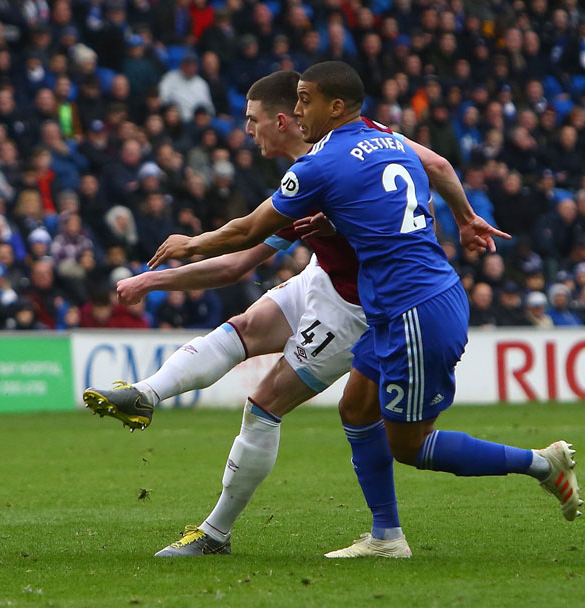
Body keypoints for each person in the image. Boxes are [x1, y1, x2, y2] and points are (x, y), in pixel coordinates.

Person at [147, 62, 580, 552]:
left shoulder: (320, 165)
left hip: (414, 310)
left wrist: (191, 243)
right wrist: (465, 218)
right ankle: (385, 536)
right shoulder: (388, 138)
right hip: (399, 306)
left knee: (410, 447)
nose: (296, 107)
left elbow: (247, 232)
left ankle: (541, 464)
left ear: (335, 107)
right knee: (355, 409)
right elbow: (438, 165)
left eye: (305, 99)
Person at [86, 70, 476, 558]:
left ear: (284, 119)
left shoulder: (322, 169)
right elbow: (242, 263)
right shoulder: (363, 144)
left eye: (253, 120)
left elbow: (241, 244)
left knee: (265, 403)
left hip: (355, 309)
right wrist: (151, 280)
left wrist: (191, 245)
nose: (247, 131)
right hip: (323, 278)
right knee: (245, 329)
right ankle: (146, 393)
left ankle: (215, 533)